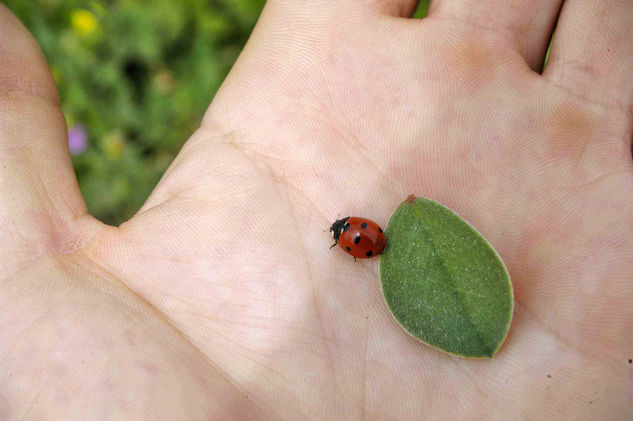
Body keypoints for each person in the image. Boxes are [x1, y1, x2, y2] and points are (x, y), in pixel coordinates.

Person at [1, 0, 631, 418]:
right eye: (348, 237)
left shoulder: (363, 236)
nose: (349, 238)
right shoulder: (365, 234)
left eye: (348, 236)